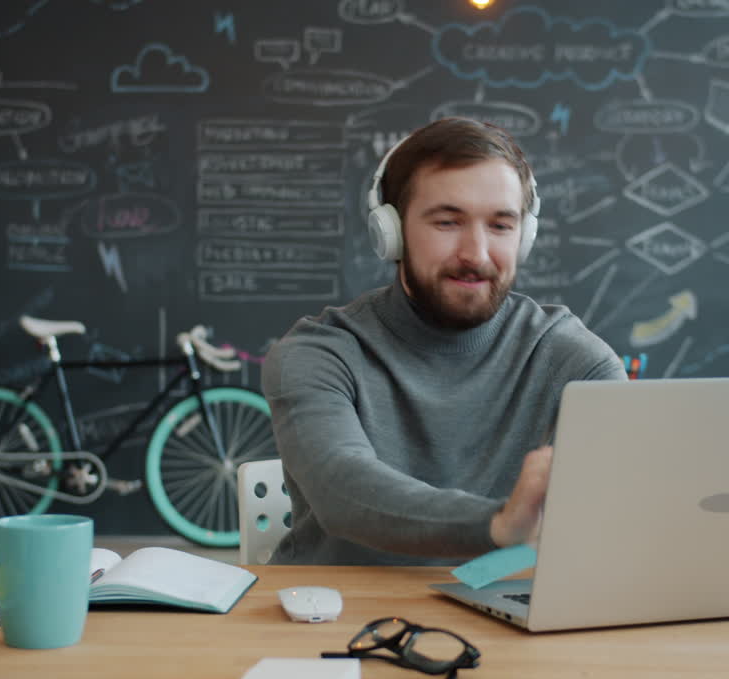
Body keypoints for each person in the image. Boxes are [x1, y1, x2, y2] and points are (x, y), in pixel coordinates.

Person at [261, 117, 625, 565]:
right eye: (448, 222)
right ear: (390, 232)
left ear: (525, 237)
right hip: (336, 619)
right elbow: (342, 488)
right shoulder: (318, 355)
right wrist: (497, 524)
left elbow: (613, 518)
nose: (476, 253)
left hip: (502, 615)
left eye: (500, 225)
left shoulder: (575, 362)